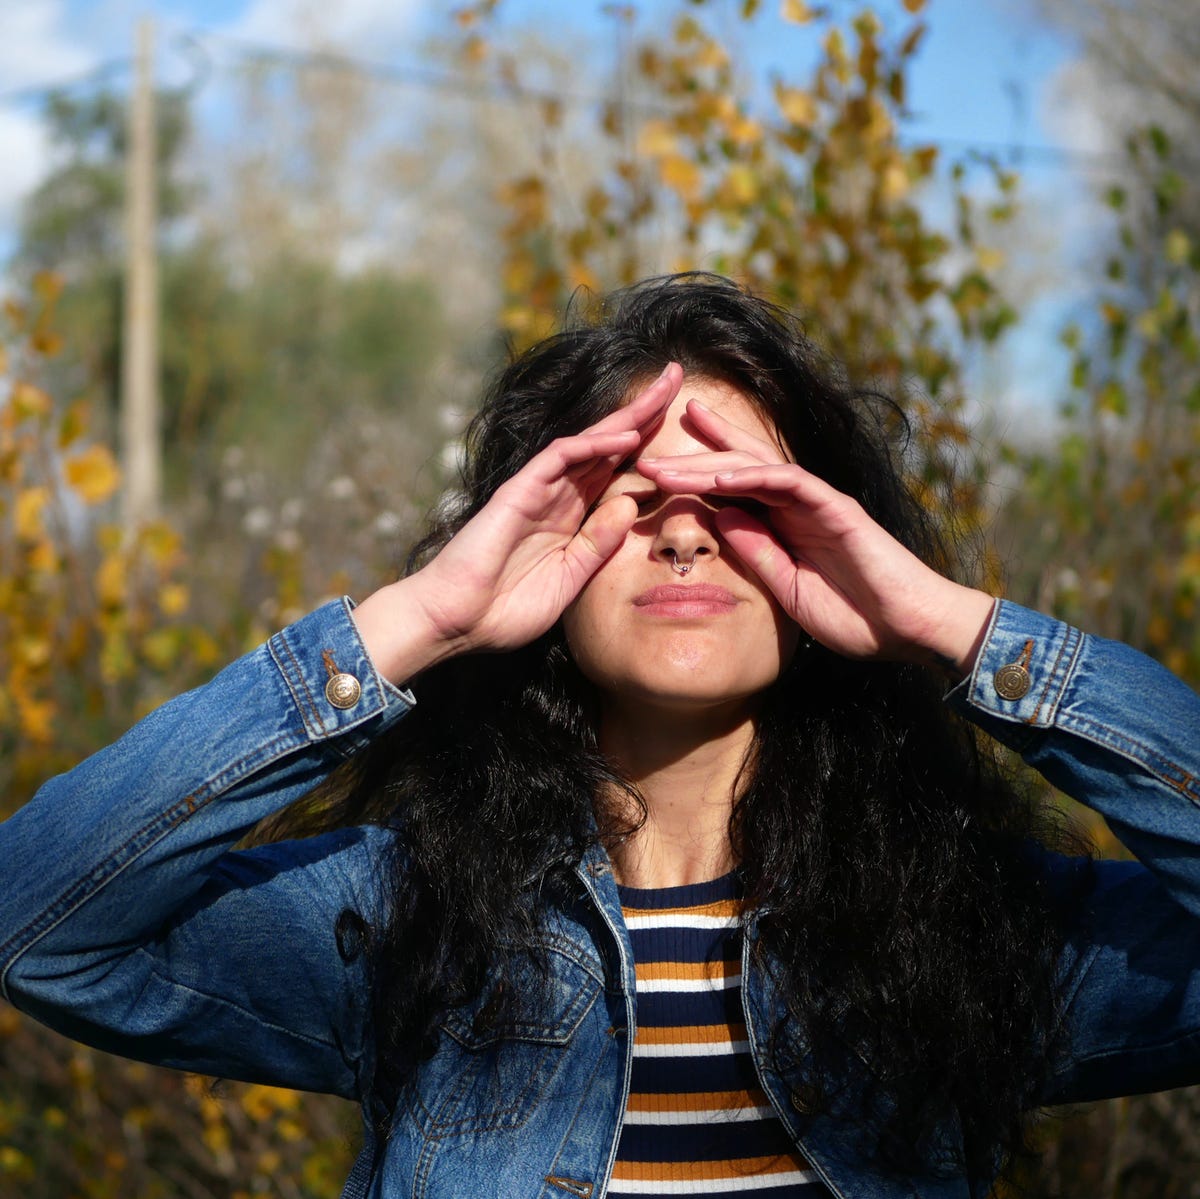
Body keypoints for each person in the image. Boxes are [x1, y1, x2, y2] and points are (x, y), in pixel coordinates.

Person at [1, 273, 1198, 1199]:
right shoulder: (406, 919)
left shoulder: (966, 926)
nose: (684, 535)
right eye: (627, 496)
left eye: (742, 500)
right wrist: (417, 619)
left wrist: (946, 623)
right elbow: (36, 918)